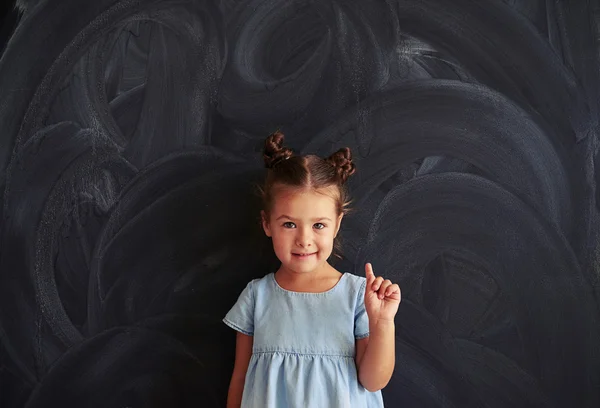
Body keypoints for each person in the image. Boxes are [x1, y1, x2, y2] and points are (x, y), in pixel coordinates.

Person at [223, 131, 401, 407]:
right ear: (267, 224)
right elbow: (240, 378)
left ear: (337, 224)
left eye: (318, 225)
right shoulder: (257, 296)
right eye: (289, 224)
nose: (304, 239)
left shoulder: (358, 296)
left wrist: (383, 324)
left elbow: (373, 381)